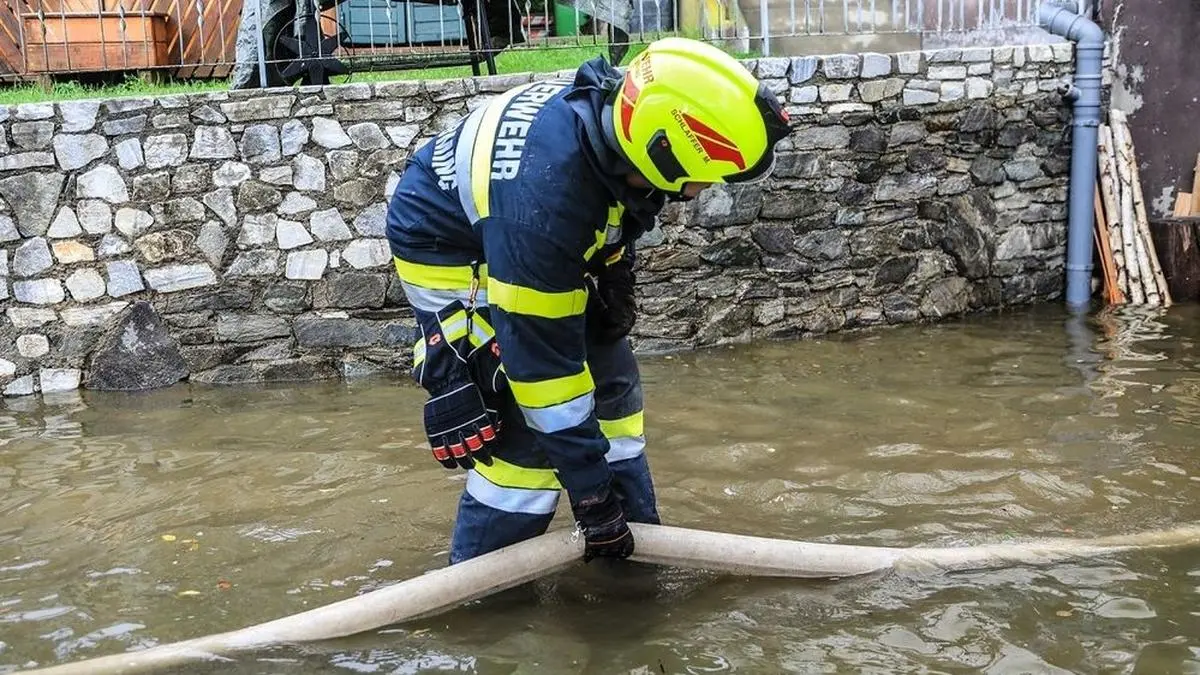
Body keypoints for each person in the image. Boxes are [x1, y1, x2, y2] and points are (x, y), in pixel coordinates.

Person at [384, 36, 791, 565]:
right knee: (523, 441)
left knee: (613, 384)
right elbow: (543, 375)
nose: (700, 192)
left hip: (528, 230)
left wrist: (615, 266)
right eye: (702, 178)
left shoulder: (614, 117)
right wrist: (591, 499)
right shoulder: (541, 212)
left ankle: (633, 555)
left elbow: (617, 201)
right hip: (458, 253)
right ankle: (487, 602)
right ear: (662, 151)